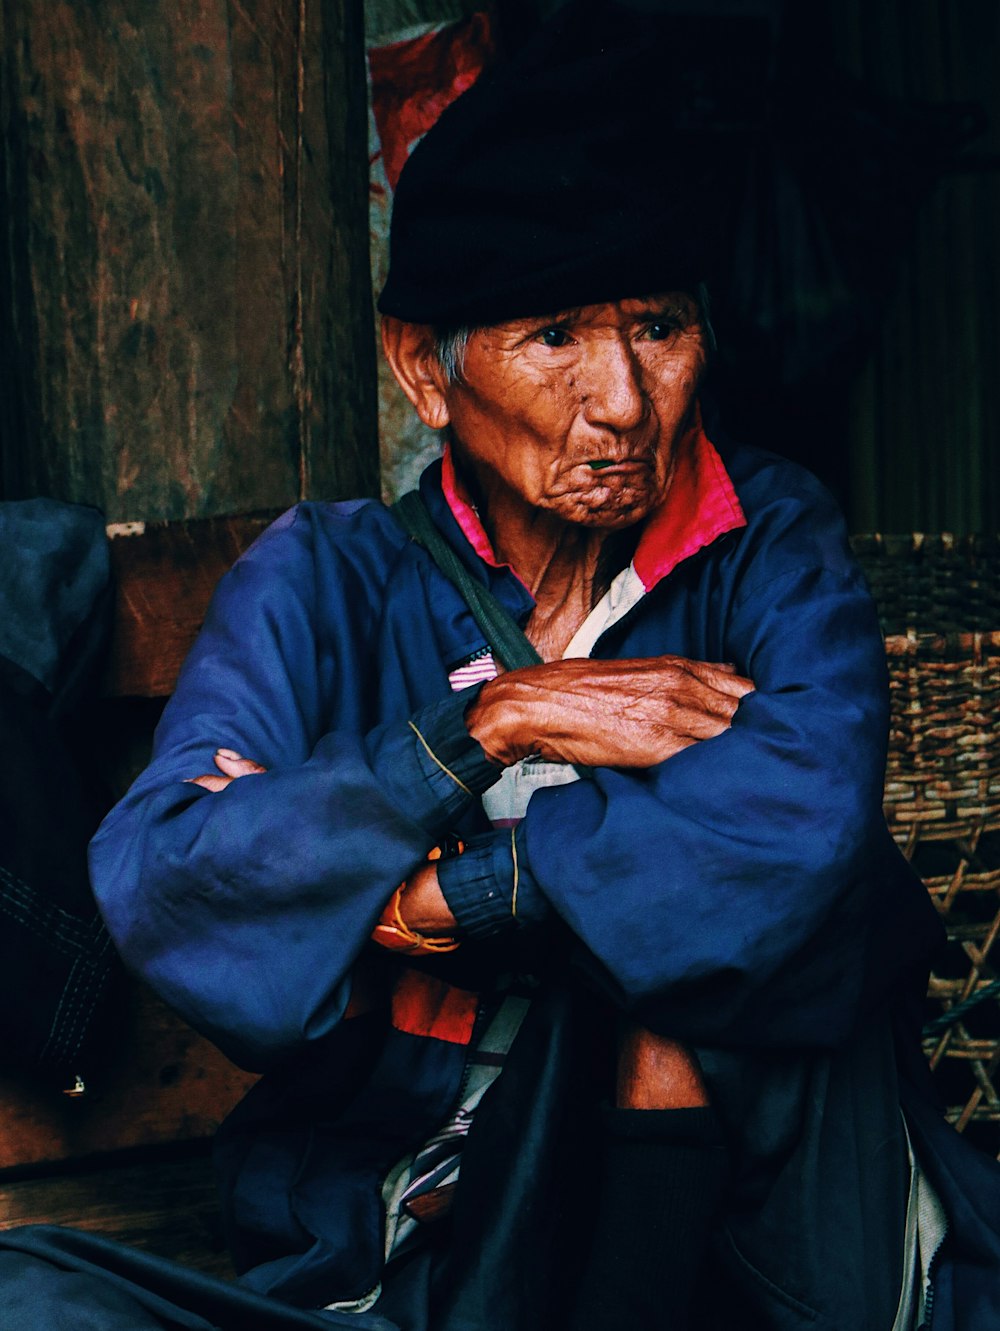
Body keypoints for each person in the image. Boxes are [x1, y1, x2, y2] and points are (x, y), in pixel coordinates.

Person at [3, 6, 999, 1330]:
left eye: (658, 327)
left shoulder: (771, 546)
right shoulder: (328, 578)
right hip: (415, 1252)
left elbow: (794, 829)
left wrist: (441, 897)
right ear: (426, 371)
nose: (624, 401)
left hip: (756, 1244)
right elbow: (173, 874)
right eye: (554, 338)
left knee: (720, 979)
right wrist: (493, 724)